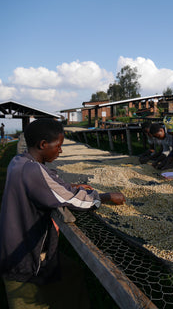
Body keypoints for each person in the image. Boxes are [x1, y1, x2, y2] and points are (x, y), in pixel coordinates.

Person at [0, 118, 126, 308]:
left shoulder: (19, 161)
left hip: (15, 243)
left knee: (71, 273)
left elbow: (50, 183)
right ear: (43, 144)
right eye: (58, 146)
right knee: (29, 300)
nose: (60, 151)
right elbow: (72, 199)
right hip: (22, 257)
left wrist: (72, 186)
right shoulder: (32, 170)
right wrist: (106, 196)